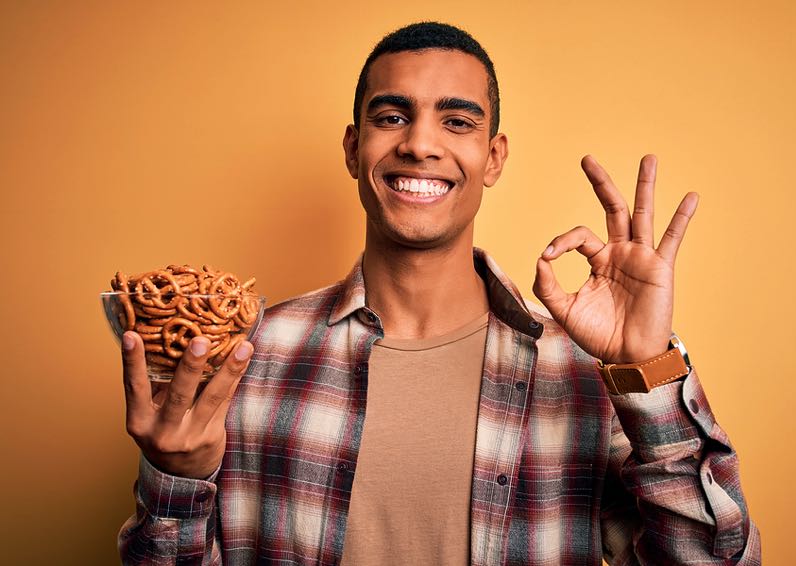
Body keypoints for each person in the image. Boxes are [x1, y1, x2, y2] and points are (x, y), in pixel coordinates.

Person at [118, 22, 761, 565]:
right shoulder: (246, 359)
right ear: (353, 148)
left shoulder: (591, 373)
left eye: (456, 121)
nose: (420, 144)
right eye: (392, 116)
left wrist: (646, 370)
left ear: (495, 157)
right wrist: (177, 479)